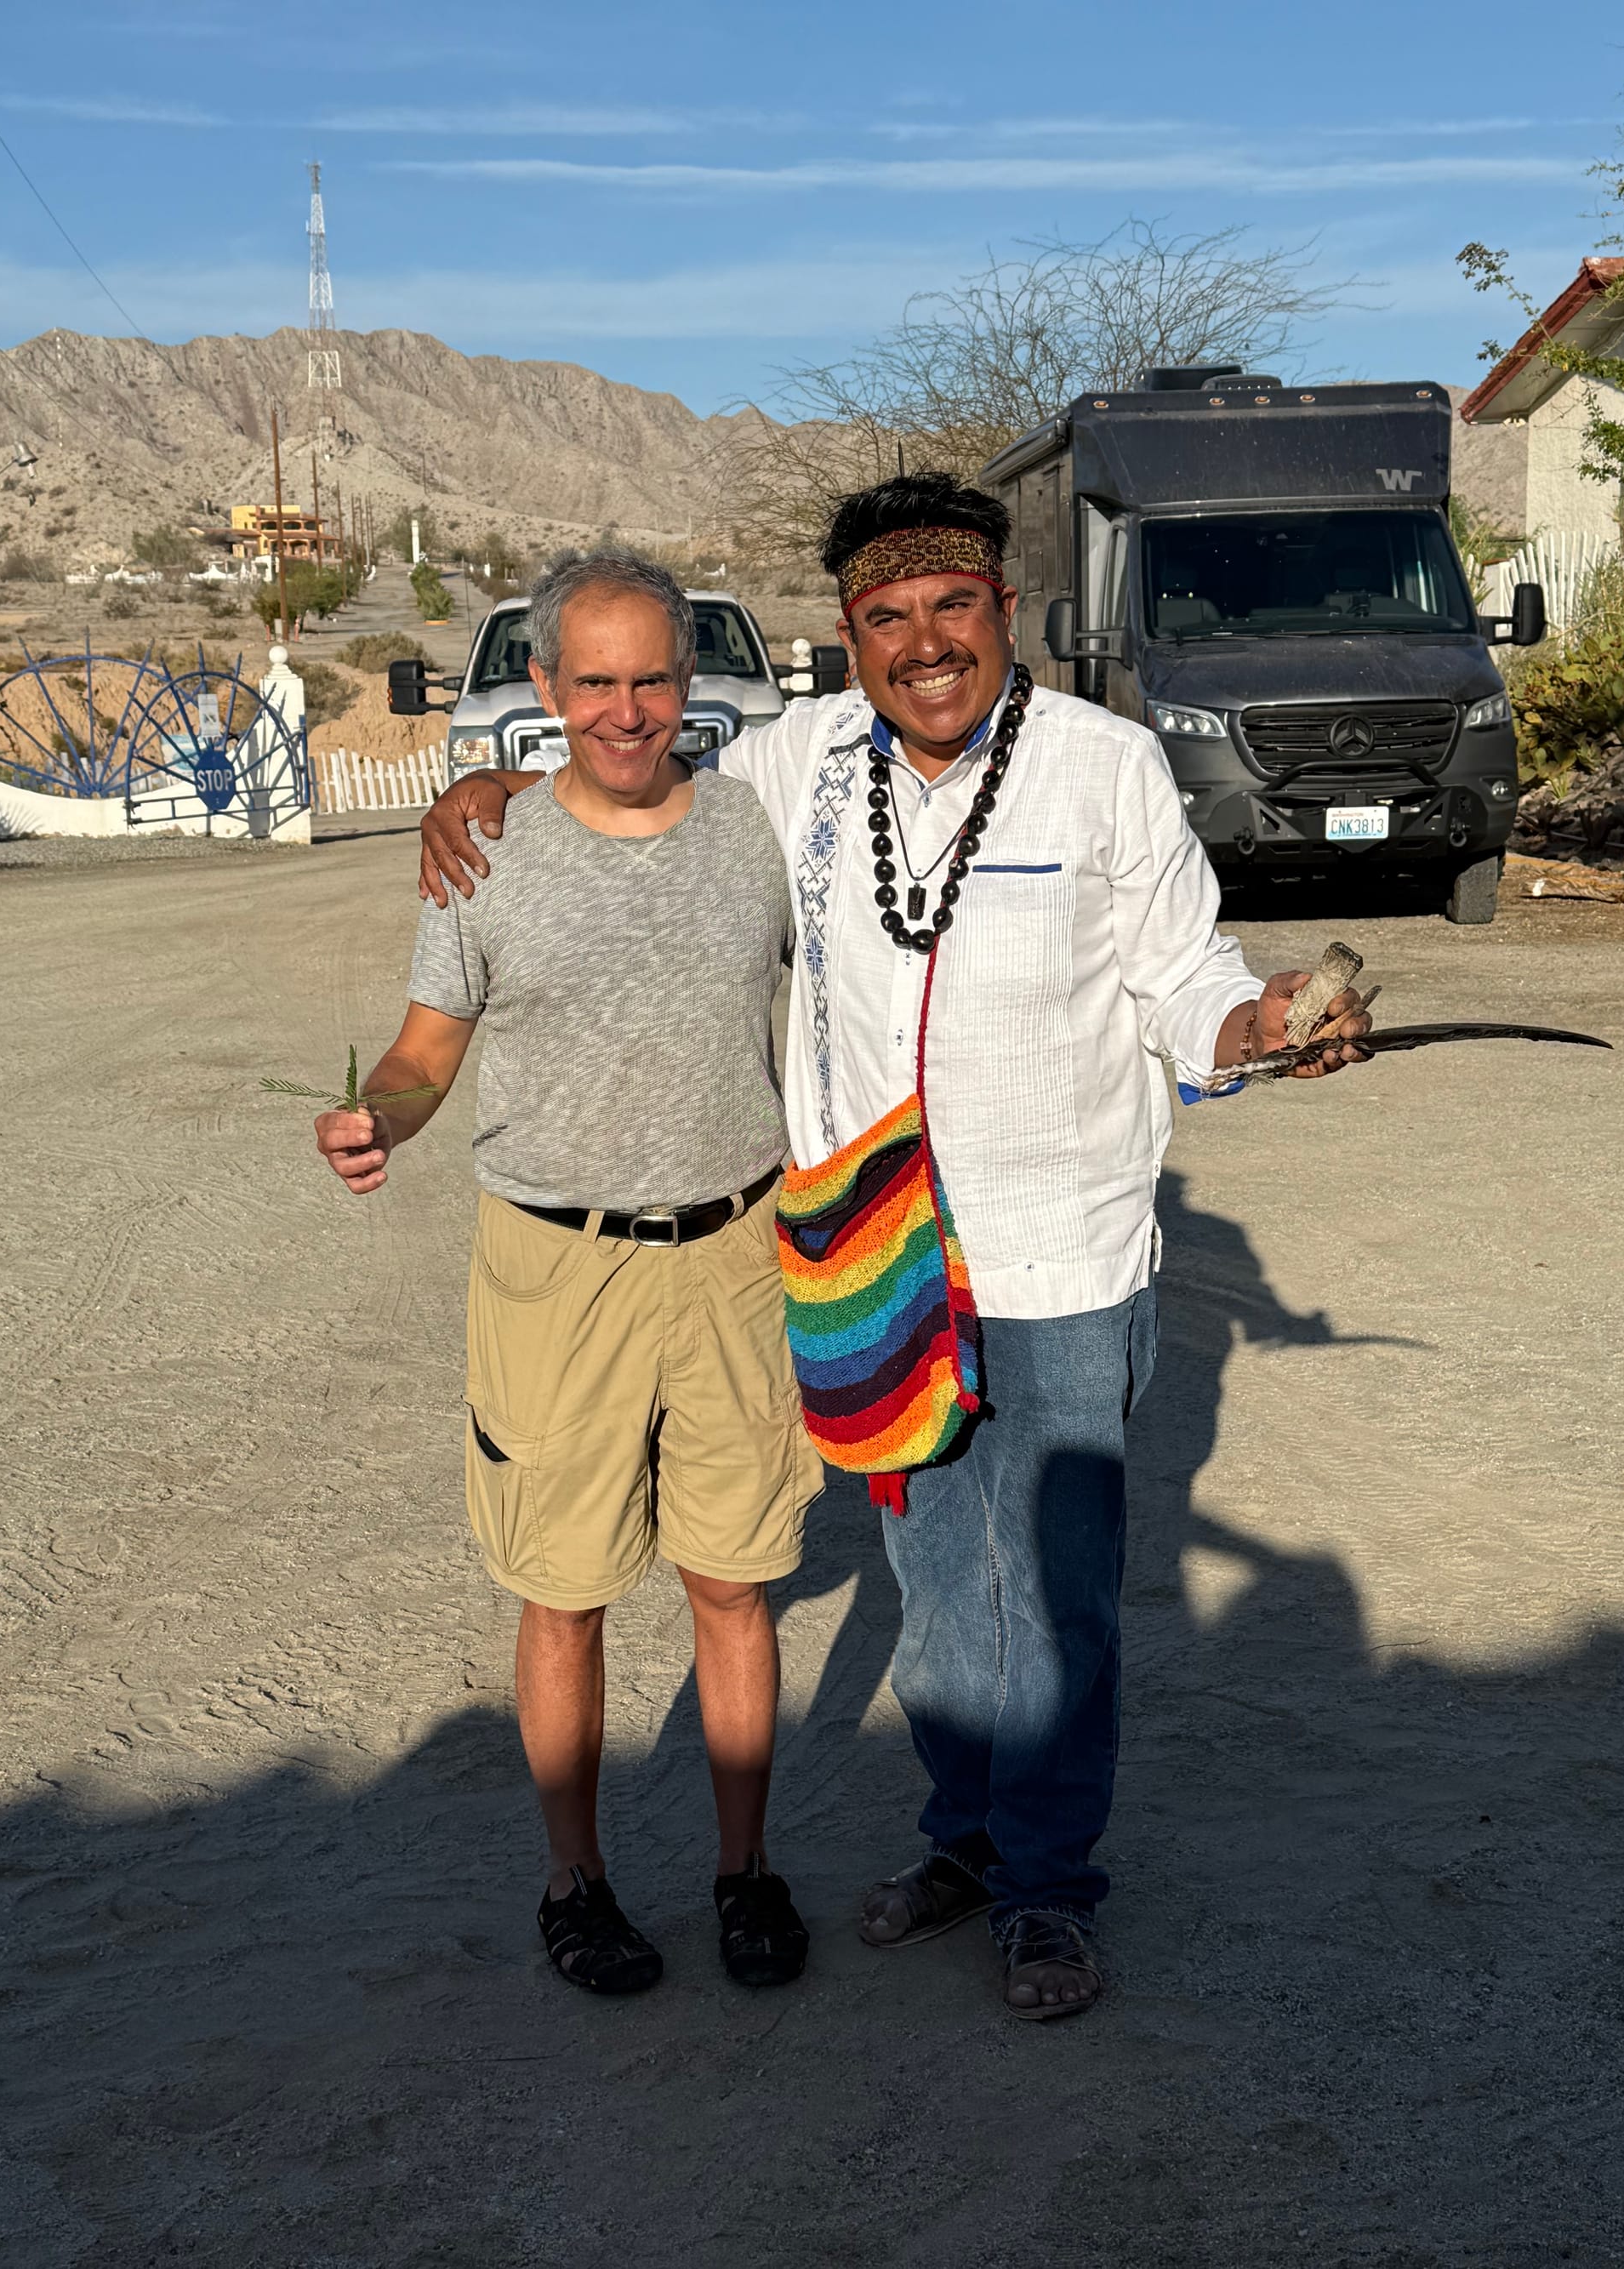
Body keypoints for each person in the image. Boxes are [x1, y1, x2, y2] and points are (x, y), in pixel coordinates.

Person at [419, 475, 1370, 2022]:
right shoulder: (793, 765)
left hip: (1060, 1254)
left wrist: (1257, 1026)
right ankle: (966, 1840)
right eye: (888, 617)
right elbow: (626, 766)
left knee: (1055, 1597)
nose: (926, 642)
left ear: (1008, 612)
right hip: (878, 1261)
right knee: (933, 1589)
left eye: (954, 607)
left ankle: (1049, 1890)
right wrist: (485, 792)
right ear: (848, 638)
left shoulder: (1107, 768)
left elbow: (1185, 977)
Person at [316, 548, 820, 1998]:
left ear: (691, 679)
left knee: (734, 1581)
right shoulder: (484, 852)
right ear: (543, 686)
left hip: (736, 1255)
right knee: (564, 1586)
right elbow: (425, 1050)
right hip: (557, 1264)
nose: (625, 710)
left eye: (651, 678)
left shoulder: (759, 830)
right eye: (592, 682)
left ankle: (744, 1870)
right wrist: (379, 1119)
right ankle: (575, 1882)